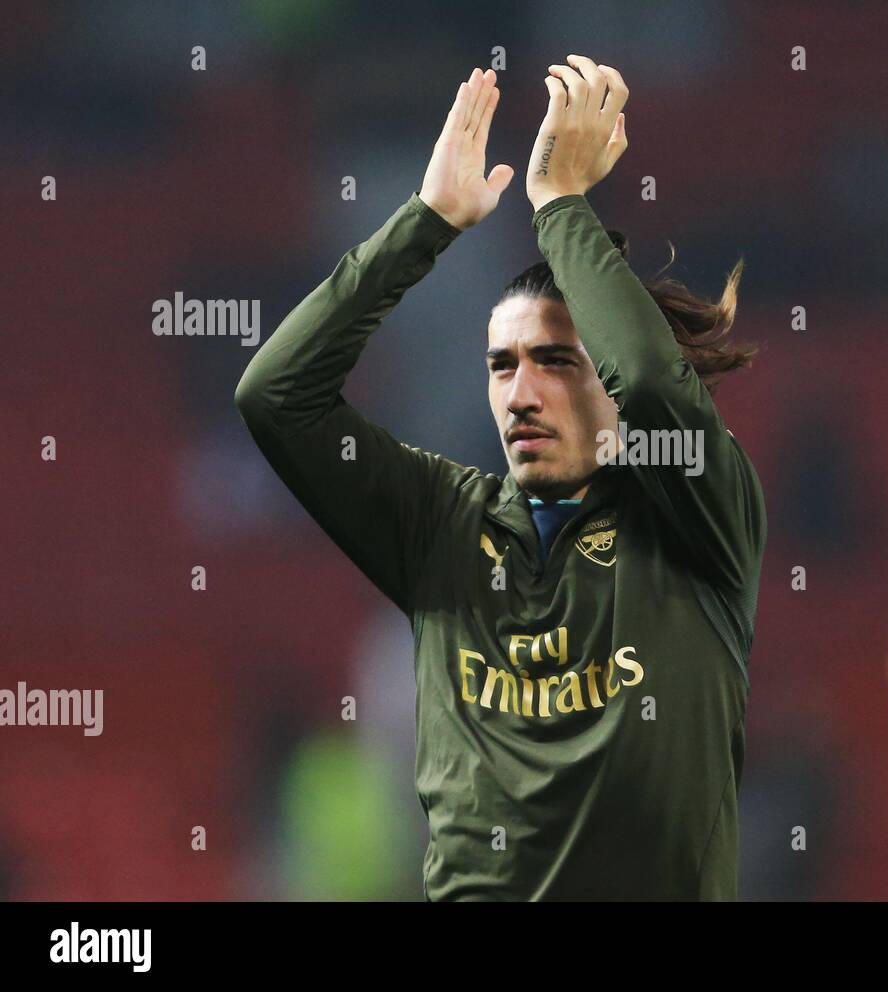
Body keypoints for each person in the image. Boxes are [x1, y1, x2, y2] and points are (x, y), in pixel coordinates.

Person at [234, 57, 766, 900]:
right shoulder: (441, 526)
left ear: (611, 383)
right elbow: (276, 397)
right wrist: (428, 222)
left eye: (555, 361)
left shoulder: (698, 522)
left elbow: (660, 386)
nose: (520, 392)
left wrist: (558, 203)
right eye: (501, 365)